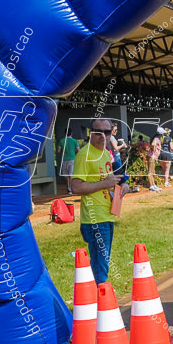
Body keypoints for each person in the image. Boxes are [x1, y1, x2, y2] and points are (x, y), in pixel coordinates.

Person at [71, 118, 121, 282]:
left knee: (102, 262)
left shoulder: (106, 153)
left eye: (107, 132)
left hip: (107, 215)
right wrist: (105, 184)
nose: (103, 136)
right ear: (90, 133)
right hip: (94, 219)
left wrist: (120, 189)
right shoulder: (84, 155)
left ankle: (98, 299)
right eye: (98, 132)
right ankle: (101, 301)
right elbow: (76, 187)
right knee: (101, 266)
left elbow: (107, 181)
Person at [60, 128, 79, 194]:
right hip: (72, 159)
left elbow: (59, 151)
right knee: (71, 174)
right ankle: (70, 188)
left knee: (66, 175)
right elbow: (78, 150)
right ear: (71, 133)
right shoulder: (74, 141)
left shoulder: (61, 141)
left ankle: (68, 187)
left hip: (64, 159)